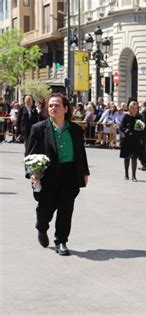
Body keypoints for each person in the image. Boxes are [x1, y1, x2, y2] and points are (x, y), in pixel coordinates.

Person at [26, 93, 90, 256]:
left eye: (57, 105)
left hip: (70, 174)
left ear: (66, 108)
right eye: (50, 105)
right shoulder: (39, 128)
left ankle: (61, 241)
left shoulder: (75, 130)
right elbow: (30, 154)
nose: (53, 108)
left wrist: (84, 172)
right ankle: (41, 227)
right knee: (45, 209)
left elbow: (81, 152)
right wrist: (32, 173)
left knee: (66, 209)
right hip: (47, 175)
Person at [119, 101, 144, 182]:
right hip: (127, 139)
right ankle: (126, 174)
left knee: (134, 158)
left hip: (136, 139)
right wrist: (126, 130)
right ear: (129, 108)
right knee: (127, 157)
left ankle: (134, 176)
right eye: (132, 108)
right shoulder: (126, 116)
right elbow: (121, 127)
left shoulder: (139, 116)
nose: (134, 110)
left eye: (135, 108)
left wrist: (142, 127)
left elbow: (143, 126)